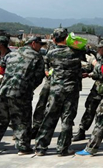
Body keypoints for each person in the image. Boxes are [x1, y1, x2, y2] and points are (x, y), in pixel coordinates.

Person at [0, 36, 46, 156]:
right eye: (40, 45)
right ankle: (23, 147)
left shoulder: (11, 54)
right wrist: (28, 88)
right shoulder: (37, 57)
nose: (41, 47)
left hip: (3, 91)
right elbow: (39, 77)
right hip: (21, 93)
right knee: (22, 121)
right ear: (33, 43)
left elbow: (0, 71)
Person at [35, 28, 84, 156]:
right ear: (66, 37)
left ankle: (41, 147)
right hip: (71, 89)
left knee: (49, 117)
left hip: (55, 89)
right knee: (67, 119)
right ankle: (63, 149)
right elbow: (84, 66)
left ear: (55, 39)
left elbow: (47, 66)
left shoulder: (51, 53)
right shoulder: (75, 52)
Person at [72, 39, 103, 142]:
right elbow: (90, 68)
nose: (98, 49)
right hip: (97, 88)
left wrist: (92, 72)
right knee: (89, 109)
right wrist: (85, 71)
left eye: (100, 48)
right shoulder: (98, 57)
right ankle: (81, 131)